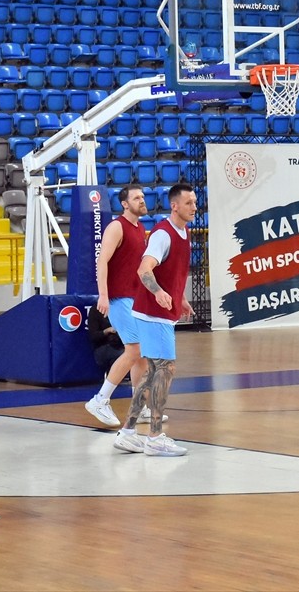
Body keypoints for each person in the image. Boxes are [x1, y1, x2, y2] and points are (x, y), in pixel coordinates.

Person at [111, 183, 196, 457]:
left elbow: (174, 272)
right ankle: (156, 436)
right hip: (153, 313)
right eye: (188, 203)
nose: (194, 207)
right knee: (165, 371)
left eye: (195, 202)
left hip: (158, 312)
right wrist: (159, 292)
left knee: (151, 374)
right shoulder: (163, 233)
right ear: (174, 206)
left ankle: (127, 432)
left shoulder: (184, 232)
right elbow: (144, 268)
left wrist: (179, 297)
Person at [85, 184, 166, 428]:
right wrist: (103, 295)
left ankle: (138, 406)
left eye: (143, 196)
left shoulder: (140, 228)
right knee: (133, 350)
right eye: (136, 197)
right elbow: (102, 261)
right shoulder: (116, 226)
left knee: (142, 354)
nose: (142, 200)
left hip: (134, 298)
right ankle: (100, 399)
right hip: (118, 299)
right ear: (124, 203)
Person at [87, 306, 125, 378]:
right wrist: (107, 331)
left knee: (137, 352)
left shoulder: (121, 308)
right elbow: (93, 336)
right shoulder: (95, 310)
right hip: (104, 347)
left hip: (122, 344)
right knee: (127, 354)